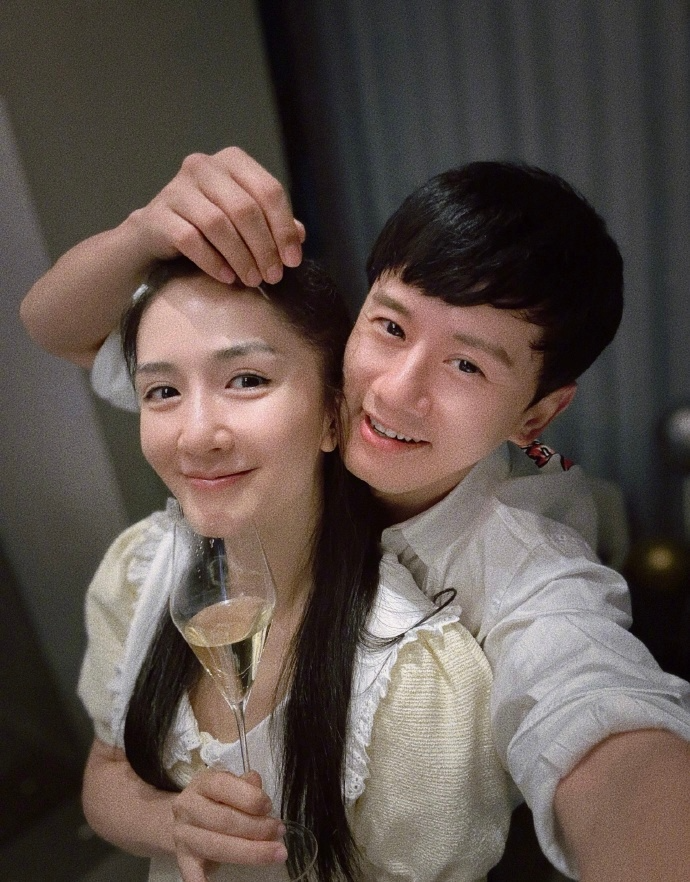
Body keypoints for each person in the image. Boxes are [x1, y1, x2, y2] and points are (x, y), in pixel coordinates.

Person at [21, 148, 690, 881]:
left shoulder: (516, 560)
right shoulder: (298, 384)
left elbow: (593, 707)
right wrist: (147, 230)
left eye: (467, 365)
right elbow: (53, 327)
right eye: (392, 327)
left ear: (536, 414)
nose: (394, 392)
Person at [73, 256, 512, 882]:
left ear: (333, 416)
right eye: (163, 392)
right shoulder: (139, 572)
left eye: (246, 380)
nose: (195, 436)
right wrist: (173, 822)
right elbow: (106, 772)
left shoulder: (412, 678)